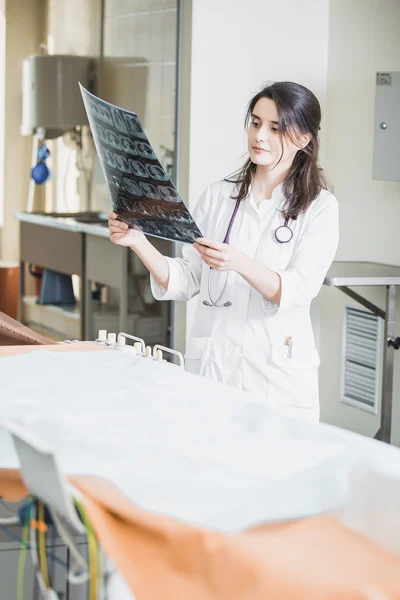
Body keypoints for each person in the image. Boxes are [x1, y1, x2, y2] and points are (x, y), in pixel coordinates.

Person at [108, 81, 339, 421]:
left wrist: (240, 263)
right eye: (256, 123)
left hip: (277, 380)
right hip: (215, 368)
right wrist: (139, 242)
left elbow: (298, 289)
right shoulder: (219, 196)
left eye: (276, 129)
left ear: (303, 139)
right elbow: (188, 279)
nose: (260, 136)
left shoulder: (319, 207)